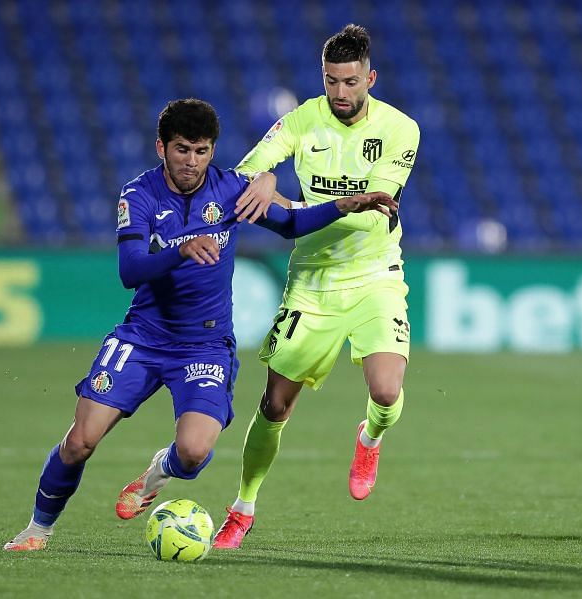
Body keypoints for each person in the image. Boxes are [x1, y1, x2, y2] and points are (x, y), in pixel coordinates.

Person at [3, 98, 396, 551]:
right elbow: (130, 270)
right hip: (144, 336)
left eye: (201, 151)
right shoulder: (139, 195)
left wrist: (345, 204)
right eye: (182, 150)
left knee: (192, 454)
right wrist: (181, 250)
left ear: (213, 151)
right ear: (161, 148)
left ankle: (158, 471)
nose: (191, 162)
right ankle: (38, 529)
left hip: (205, 345)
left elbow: (289, 222)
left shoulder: (231, 190)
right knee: (79, 442)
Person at [213, 24, 421, 549]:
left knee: (386, 390)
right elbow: (243, 176)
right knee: (275, 405)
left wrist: (286, 208)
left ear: (369, 78)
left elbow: (372, 211)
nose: (341, 93)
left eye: (351, 82)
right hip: (312, 282)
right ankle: (243, 506)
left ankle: (369, 437)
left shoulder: (401, 130)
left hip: (376, 275)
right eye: (332, 81)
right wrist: (262, 179)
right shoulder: (303, 119)